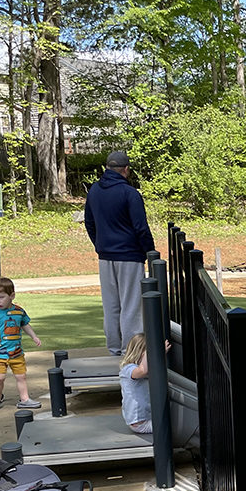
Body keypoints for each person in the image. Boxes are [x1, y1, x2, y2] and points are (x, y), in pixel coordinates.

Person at [84, 150, 155, 356]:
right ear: (126, 169)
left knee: (111, 305)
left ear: (107, 168)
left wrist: (99, 245)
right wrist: (149, 252)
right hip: (129, 256)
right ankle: (130, 351)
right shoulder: (130, 193)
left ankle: (113, 348)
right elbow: (141, 227)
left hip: (106, 256)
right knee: (131, 305)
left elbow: (89, 223)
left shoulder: (94, 191)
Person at [0, 277, 42, 411]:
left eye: (1, 297)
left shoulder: (18, 312)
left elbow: (25, 325)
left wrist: (34, 336)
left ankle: (25, 399)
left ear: (12, 296)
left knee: (21, 376)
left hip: (16, 352)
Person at [120, 333, 170, 434]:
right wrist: (151, 352)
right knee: (171, 426)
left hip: (146, 418)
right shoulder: (128, 369)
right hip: (140, 423)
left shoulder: (141, 369)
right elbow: (142, 370)